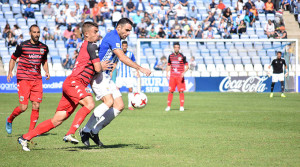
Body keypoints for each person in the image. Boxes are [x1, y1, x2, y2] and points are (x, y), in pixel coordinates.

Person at [18, 22, 103, 151]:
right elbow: (97, 68)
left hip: (71, 83)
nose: (98, 34)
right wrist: (103, 67)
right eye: (95, 31)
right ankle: (70, 133)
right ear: (86, 34)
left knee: (57, 120)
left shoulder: (87, 45)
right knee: (89, 103)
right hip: (75, 82)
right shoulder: (92, 46)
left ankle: (25, 137)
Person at [79, 18, 151, 147]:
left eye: (130, 31)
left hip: (106, 76)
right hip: (98, 75)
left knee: (119, 106)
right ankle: (85, 130)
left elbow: (115, 58)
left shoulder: (116, 38)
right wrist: (140, 68)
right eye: (126, 30)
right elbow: (122, 57)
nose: (128, 33)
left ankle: (94, 131)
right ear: (118, 28)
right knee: (109, 102)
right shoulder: (113, 37)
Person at [6, 25, 50, 135]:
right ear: (30, 33)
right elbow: (13, 58)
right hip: (24, 79)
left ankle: (30, 134)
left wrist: (47, 71)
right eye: (34, 32)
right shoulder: (22, 46)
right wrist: (10, 71)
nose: (37, 34)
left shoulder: (44, 48)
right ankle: (10, 119)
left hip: (37, 80)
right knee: (23, 107)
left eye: (38, 32)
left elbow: (44, 61)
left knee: (36, 105)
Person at [115, 41, 139, 110]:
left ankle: (129, 105)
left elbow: (134, 63)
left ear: (127, 46)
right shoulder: (118, 54)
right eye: (123, 46)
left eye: (125, 46)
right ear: (121, 46)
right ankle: (117, 104)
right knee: (117, 89)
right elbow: (115, 63)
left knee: (130, 89)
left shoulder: (130, 54)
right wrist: (111, 72)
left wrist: (137, 71)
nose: (124, 47)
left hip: (128, 75)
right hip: (120, 75)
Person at [165, 42, 189, 112]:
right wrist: (167, 73)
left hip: (180, 77)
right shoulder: (170, 56)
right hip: (172, 76)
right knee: (170, 91)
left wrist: (183, 72)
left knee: (181, 91)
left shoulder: (182, 56)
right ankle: (168, 106)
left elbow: (187, 66)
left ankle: (181, 106)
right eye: (175, 47)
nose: (176, 49)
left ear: (179, 48)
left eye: (178, 47)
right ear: (173, 48)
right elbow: (169, 65)